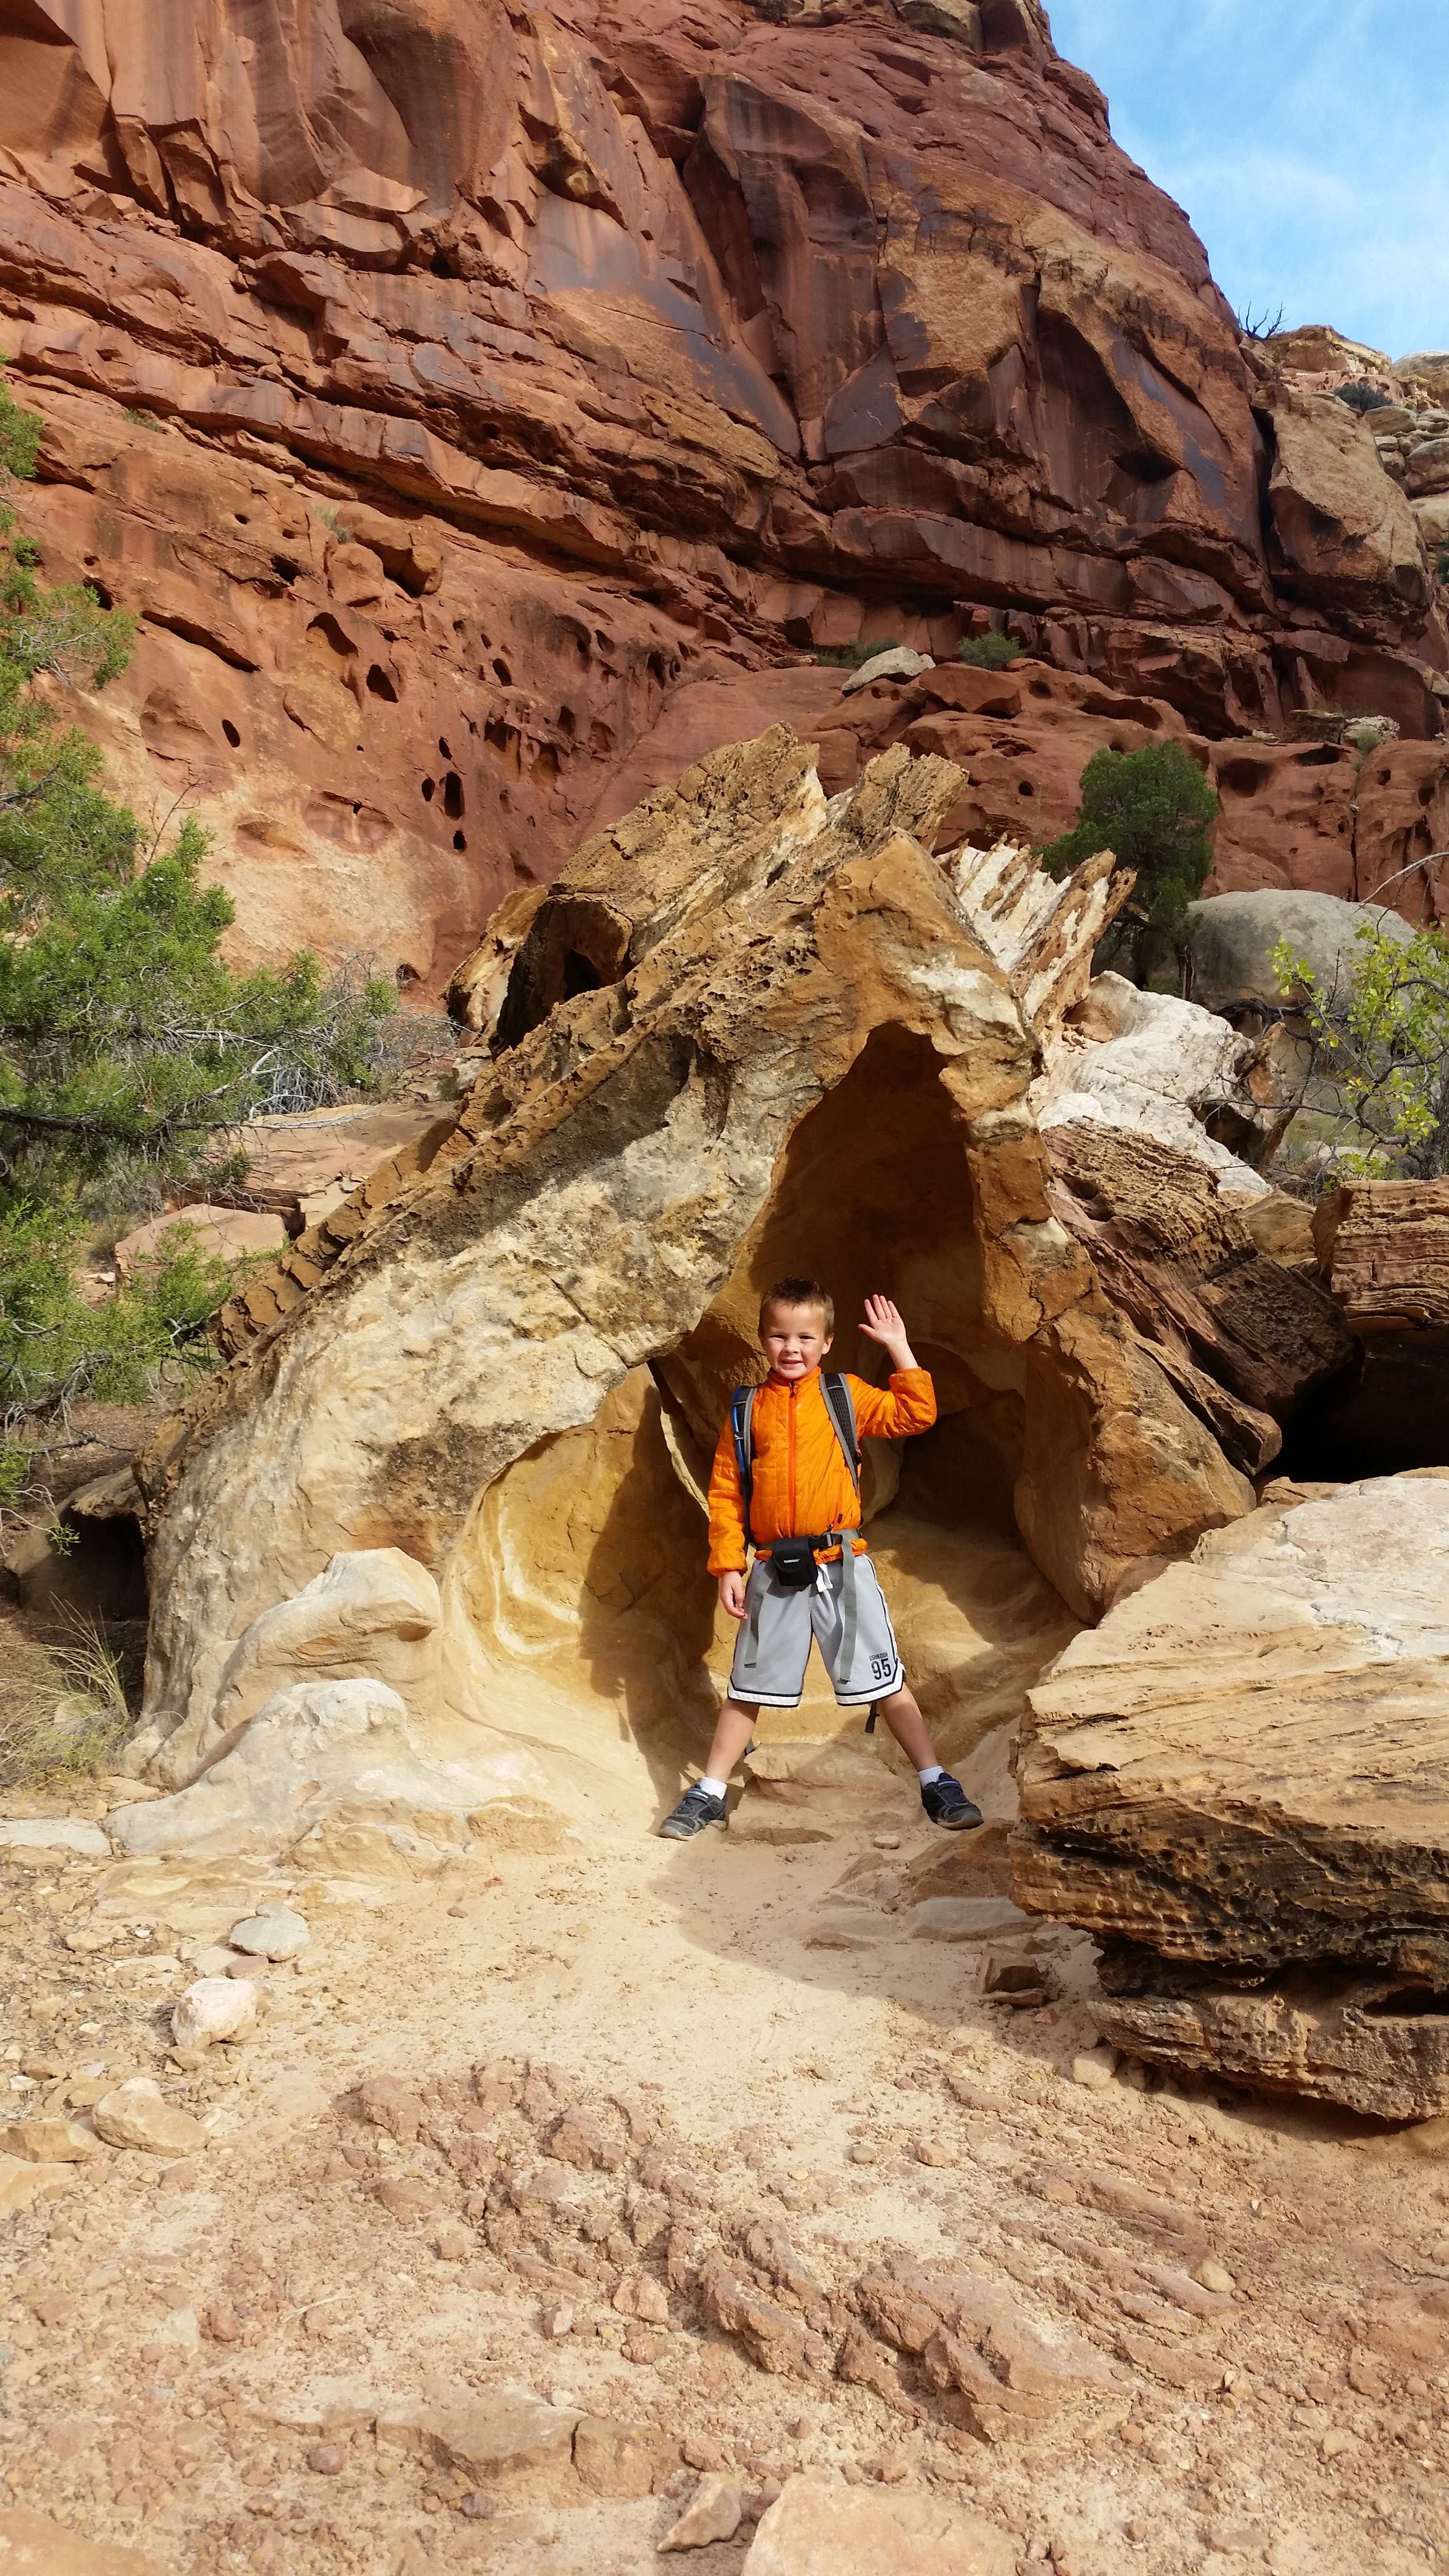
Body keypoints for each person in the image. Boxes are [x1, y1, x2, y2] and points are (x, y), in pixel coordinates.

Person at [659, 1274, 983, 1840]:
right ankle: (709, 1790)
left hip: (841, 1563)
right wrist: (728, 1566)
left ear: (827, 1341)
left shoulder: (844, 1394)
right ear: (762, 1338)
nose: (792, 1348)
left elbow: (916, 1414)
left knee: (886, 1676)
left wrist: (899, 1347)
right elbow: (727, 1492)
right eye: (780, 1336)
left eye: (806, 1337)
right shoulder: (746, 1408)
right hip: (771, 1565)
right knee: (747, 1683)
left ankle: (936, 1779)